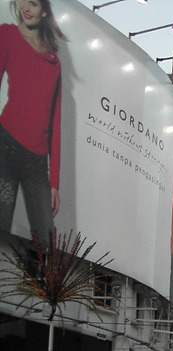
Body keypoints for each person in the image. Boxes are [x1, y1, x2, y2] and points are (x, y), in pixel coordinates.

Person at [0, 0, 66, 242]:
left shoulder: (54, 63)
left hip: (37, 163)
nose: (27, 7)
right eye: (24, 1)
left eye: (34, 3)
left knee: (46, 240)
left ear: (44, 11)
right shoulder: (7, 34)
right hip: (5, 148)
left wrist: (54, 182)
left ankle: (35, 282)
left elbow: (55, 123)